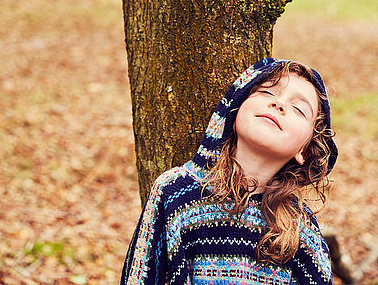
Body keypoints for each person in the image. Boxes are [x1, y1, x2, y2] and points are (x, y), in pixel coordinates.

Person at [120, 57, 338, 285]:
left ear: (306, 150)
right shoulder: (175, 192)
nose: (279, 104)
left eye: (299, 109)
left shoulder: (299, 228)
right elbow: (140, 276)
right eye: (266, 92)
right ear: (235, 108)